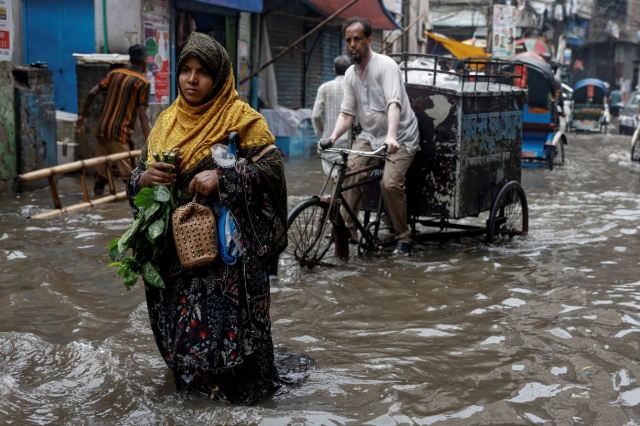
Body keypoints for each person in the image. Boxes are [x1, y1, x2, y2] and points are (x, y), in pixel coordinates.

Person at [126, 32, 311, 404]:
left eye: (203, 73)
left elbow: (272, 171)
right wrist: (144, 179)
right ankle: (195, 404)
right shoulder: (165, 122)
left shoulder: (242, 120)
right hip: (175, 257)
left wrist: (223, 177)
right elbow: (136, 179)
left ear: (221, 78)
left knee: (224, 343)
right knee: (185, 342)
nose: (192, 80)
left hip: (225, 260)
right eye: (186, 71)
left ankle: (230, 405)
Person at [318, 17, 420, 257]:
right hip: (371, 135)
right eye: (349, 40)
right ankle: (347, 231)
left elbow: (394, 103)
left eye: (357, 39)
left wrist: (392, 137)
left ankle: (403, 237)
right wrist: (331, 139)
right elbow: (347, 113)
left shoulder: (386, 66)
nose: (353, 44)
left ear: (369, 40)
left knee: (389, 184)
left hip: (402, 136)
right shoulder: (351, 75)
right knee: (350, 171)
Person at [75, 45, 151, 195]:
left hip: (102, 130)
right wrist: (151, 140)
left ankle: (98, 203)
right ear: (144, 60)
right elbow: (143, 115)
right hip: (120, 134)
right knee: (131, 176)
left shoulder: (114, 73)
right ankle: (134, 210)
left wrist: (83, 116)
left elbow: (92, 93)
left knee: (102, 172)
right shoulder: (142, 83)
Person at [311, 55, 352, 177]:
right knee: (348, 181)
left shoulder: (324, 88)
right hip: (351, 144)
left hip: (330, 143)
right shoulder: (354, 87)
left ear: (334, 70)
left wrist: (322, 135)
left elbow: (315, 116)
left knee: (333, 178)